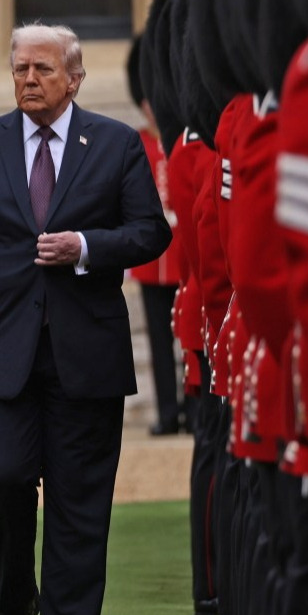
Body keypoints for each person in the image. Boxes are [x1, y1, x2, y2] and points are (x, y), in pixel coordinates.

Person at [0, 24, 171, 615]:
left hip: (84, 350)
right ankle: (15, 604)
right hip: (0, 348)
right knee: (3, 478)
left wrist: (87, 248)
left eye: (41, 68)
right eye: (18, 69)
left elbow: (151, 231)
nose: (28, 79)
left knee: (78, 502)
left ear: (75, 77)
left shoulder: (116, 144)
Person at [124, 34, 185, 436]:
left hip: (184, 256)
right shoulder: (138, 143)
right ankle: (167, 411)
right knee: (161, 344)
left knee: (192, 337)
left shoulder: (182, 139)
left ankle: (196, 409)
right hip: (151, 260)